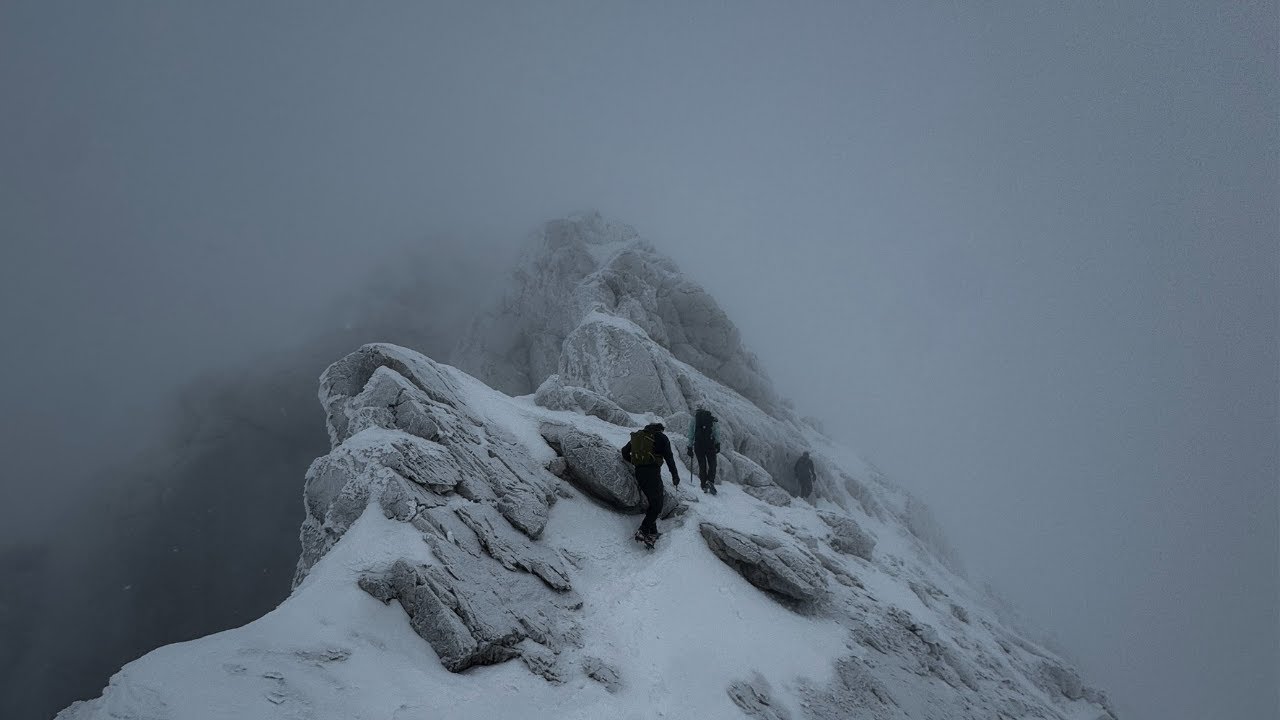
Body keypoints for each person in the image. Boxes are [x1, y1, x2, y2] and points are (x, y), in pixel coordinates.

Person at [621, 422, 680, 546]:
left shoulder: (640, 436)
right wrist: (675, 476)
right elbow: (669, 458)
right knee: (657, 505)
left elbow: (624, 452)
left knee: (653, 503)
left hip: (639, 473)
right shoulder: (662, 438)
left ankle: (652, 532)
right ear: (660, 430)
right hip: (652, 474)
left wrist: (637, 463)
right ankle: (643, 530)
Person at [686, 408, 721, 494]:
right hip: (710, 444)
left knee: (702, 465)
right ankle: (710, 481)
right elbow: (716, 432)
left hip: (698, 445)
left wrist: (689, 447)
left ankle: (703, 485)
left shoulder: (694, 420)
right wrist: (717, 444)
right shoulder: (711, 419)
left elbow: (690, 434)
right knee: (712, 464)